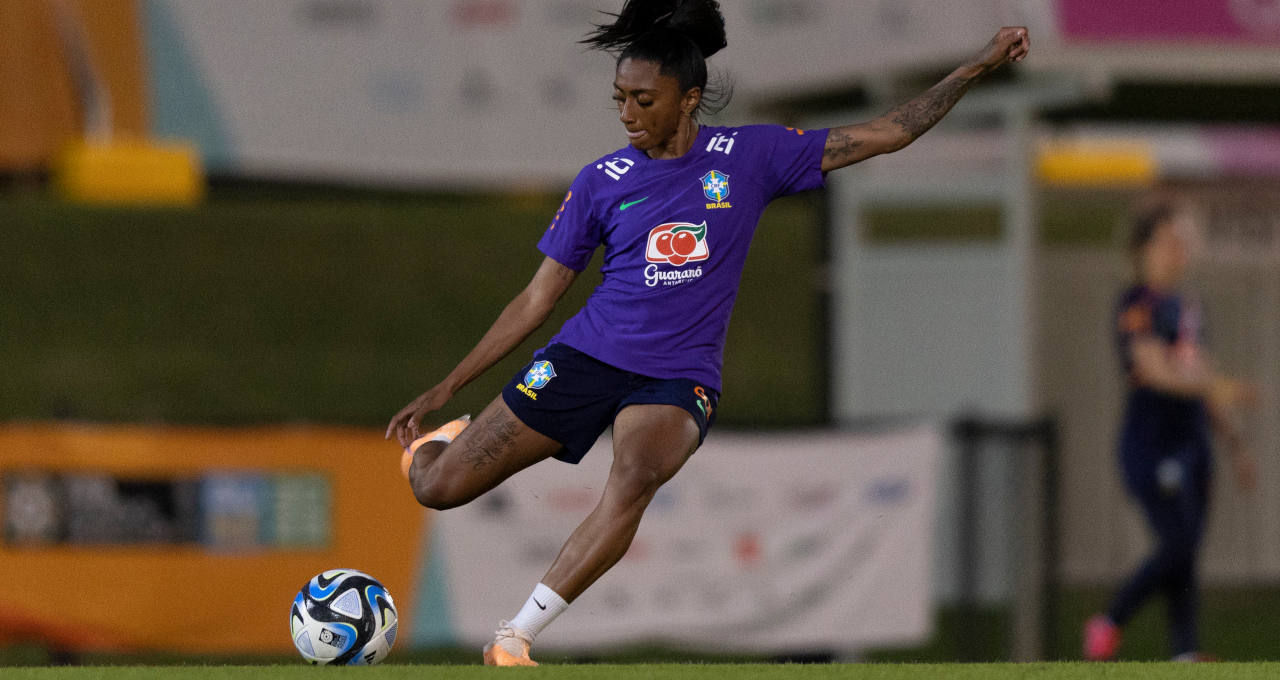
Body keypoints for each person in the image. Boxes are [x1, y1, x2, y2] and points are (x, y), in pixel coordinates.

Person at [386, 0, 1029, 666]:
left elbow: (889, 132)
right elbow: (536, 299)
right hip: (584, 356)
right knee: (439, 488)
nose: (628, 113)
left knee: (635, 476)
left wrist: (977, 65)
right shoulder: (601, 183)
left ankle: (516, 635)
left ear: (688, 99)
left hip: (678, 374)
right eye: (619, 100)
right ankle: (437, 447)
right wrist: (448, 384)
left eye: (643, 98)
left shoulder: (751, 155)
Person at [1084, 202, 1258, 662]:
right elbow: (1155, 371)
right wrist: (1219, 385)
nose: (1175, 251)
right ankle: (1109, 620)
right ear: (1143, 250)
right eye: (1165, 241)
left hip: (1193, 444)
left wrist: (1236, 444)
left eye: (1179, 243)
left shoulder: (1188, 308)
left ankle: (1185, 652)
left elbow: (1202, 377)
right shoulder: (1136, 306)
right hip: (1152, 443)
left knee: (1187, 548)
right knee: (1177, 541)